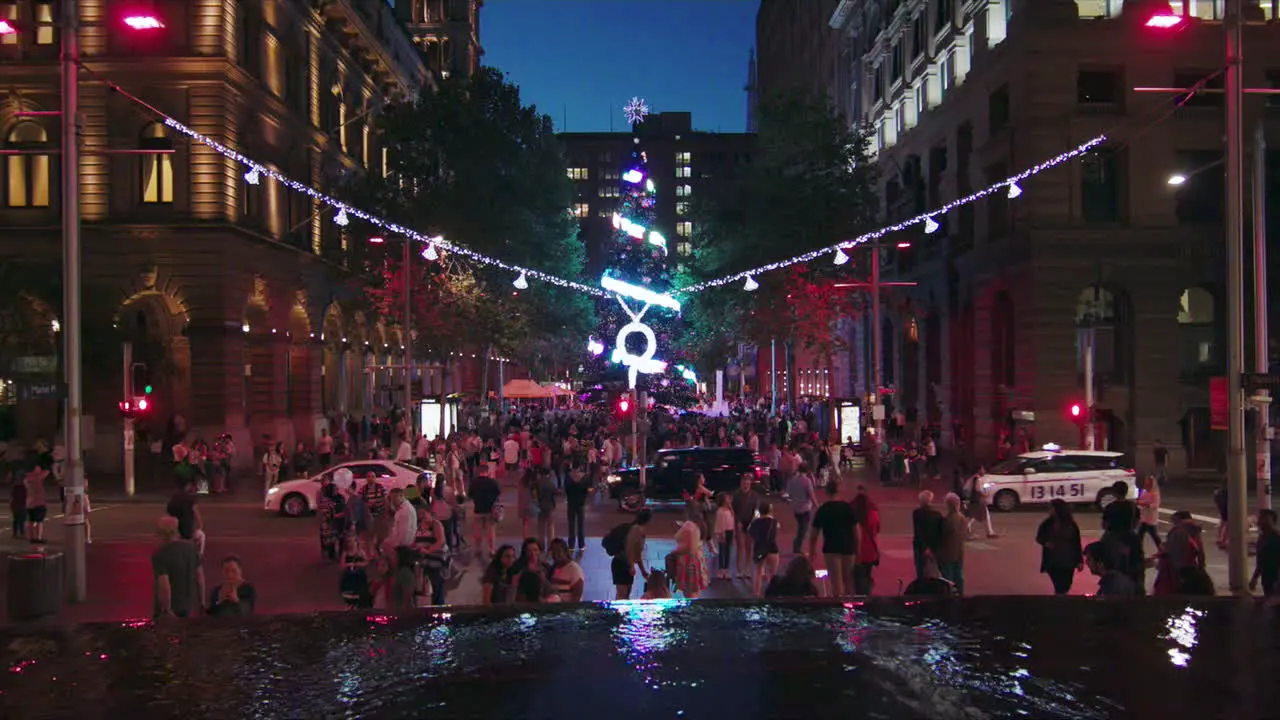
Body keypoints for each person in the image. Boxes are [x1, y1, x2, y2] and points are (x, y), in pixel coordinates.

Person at [809, 480, 858, 597]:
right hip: (848, 548)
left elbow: (814, 534)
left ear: (827, 492)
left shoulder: (823, 509)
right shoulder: (847, 508)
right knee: (849, 582)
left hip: (831, 548)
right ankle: (852, 608)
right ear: (838, 491)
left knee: (836, 583)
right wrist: (857, 549)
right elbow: (856, 531)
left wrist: (812, 550)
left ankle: (838, 609)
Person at [153, 516, 205, 618]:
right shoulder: (191, 549)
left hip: (172, 609)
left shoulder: (160, 554)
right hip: (189, 606)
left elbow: (164, 585)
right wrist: (202, 602)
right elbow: (200, 577)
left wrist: (167, 609)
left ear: (162, 534)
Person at [1036, 499, 1084, 595]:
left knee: (1066, 584)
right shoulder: (1047, 523)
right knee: (1059, 584)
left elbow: (1076, 543)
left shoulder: (1071, 524)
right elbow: (1039, 537)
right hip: (1053, 559)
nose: (1049, 511)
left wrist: (1079, 560)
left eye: (1051, 508)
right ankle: (1060, 600)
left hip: (1068, 559)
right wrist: (1046, 543)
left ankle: (1060, 599)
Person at [1153, 510, 1206, 596]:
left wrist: (1162, 554)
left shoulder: (1177, 532)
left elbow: (1171, 550)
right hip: (1191, 566)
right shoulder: (1194, 531)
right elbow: (1199, 551)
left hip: (1176, 568)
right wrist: (1201, 566)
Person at [612, 509, 652, 600]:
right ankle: (618, 612)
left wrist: (642, 571)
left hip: (622, 562)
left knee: (625, 594)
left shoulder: (635, 528)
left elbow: (637, 553)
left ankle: (621, 612)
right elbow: (630, 549)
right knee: (623, 594)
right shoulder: (637, 530)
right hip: (622, 563)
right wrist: (632, 566)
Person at [666, 521, 710, 599]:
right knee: (692, 589)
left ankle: (692, 605)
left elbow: (685, 545)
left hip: (689, 561)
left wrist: (674, 553)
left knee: (691, 590)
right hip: (693, 559)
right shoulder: (694, 529)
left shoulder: (690, 529)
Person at [748, 500, 781, 598]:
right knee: (773, 573)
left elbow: (750, 533)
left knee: (758, 572)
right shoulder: (774, 522)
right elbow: (777, 532)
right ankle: (772, 593)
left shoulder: (755, 523)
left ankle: (756, 594)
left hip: (759, 549)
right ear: (770, 510)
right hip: (773, 549)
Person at [851, 488, 881, 595]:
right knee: (867, 575)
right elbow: (877, 529)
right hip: (870, 551)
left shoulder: (852, 515)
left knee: (855, 577)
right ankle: (867, 594)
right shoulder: (874, 514)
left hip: (855, 551)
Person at [166, 478, 206, 557]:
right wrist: (200, 525)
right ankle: (199, 555)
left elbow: (169, 511)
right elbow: (195, 511)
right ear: (187, 486)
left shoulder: (174, 498)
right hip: (188, 529)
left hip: (176, 529)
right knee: (202, 536)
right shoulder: (190, 498)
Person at [936, 493, 967, 594]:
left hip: (947, 552)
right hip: (959, 550)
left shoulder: (947, 520)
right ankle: (960, 593)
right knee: (958, 574)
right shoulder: (962, 518)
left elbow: (942, 536)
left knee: (947, 577)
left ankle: (949, 595)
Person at [731, 473, 760, 580]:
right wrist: (737, 522)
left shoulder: (754, 496)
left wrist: (753, 522)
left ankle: (747, 569)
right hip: (740, 523)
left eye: (748, 483)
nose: (746, 485)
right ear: (741, 483)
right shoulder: (736, 495)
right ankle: (739, 570)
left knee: (749, 547)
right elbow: (733, 511)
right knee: (740, 547)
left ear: (750, 484)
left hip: (750, 523)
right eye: (744, 482)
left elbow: (757, 511)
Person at [468, 469, 501, 559]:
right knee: (490, 531)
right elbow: (498, 493)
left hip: (478, 509)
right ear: (487, 472)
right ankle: (491, 550)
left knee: (477, 531)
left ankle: (478, 549)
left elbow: (469, 495)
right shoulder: (492, 482)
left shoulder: (474, 482)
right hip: (490, 510)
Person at [911, 490, 944, 580]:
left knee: (920, 570)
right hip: (933, 547)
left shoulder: (917, 513)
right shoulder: (937, 515)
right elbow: (940, 533)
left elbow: (918, 532)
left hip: (920, 546)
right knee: (933, 570)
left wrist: (925, 547)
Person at [786, 463, 817, 555]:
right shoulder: (806, 481)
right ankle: (797, 548)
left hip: (795, 508)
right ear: (807, 470)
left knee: (801, 528)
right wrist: (817, 506)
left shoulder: (792, 479)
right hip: (805, 508)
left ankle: (797, 546)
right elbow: (811, 495)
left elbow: (789, 493)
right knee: (803, 530)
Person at [1250, 508, 1280, 597]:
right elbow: (1260, 562)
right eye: (1260, 519)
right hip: (1267, 580)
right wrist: (1254, 578)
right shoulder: (1262, 538)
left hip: (1275, 581)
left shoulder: (1277, 537)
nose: (1261, 521)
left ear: (1273, 522)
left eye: (1265, 519)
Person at [563, 464, 591, 552]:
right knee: (581, 525)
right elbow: (587, 490)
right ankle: (581, 544)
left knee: (571, 525)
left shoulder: (568, 477)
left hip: (571, 503)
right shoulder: (584, 477)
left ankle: (571, 545)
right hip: (580, 504)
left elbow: (566, 489)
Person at [548, 538, 585, 602]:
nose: (555, 555)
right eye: (553, 552)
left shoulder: (574, 569)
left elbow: (576, 597)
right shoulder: (553, 568)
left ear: (565, 552)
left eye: (558, 551)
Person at [22, 463, 51, 544]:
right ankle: (38, 537)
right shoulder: (38, 477)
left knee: (31, 521)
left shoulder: (27, 479)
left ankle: (32, 537)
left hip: (29, 502)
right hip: (39, 502)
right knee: (39, 521)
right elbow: (47, 472)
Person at [1136, 475, 1162, 553]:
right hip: (1144, 517)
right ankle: (1139, 550)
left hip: (1151, 518)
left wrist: (1146, 505)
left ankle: (1161, 549)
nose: (1146, 484)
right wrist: (1139, 503)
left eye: (1148, 483)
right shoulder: (1145, 493)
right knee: (1140, 535)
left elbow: (1155, 505)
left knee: (1154, 536)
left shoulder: (1155, 494)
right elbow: (1141, 501)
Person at [713, 492, 736, 580]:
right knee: (722, 552)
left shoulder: (730, 510)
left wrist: (733, 532)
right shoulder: (720, 511)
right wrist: (721, 533)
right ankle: (720, 570)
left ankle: (726, 570)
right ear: (723, 501)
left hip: (729, 531)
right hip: (723, 532)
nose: (729, 499)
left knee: (728, 551)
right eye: (727, 498)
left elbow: (732, 521)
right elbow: (719, 523)